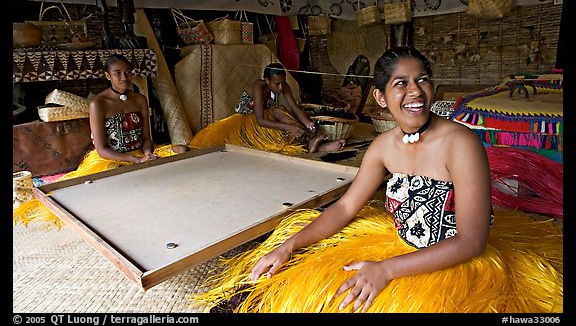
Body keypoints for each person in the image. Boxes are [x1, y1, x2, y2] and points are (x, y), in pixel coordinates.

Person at [190, 46, 562, 313]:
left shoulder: (460, 143)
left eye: (423, 80)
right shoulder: (382, 147)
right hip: (395, 244)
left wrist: (385, 270)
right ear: (380, 98)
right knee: (311, 277)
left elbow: (471, 241)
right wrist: (289, 246)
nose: (414, 91)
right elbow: (347, 206)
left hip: (453, 263)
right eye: (400, 83)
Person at [13, 54, 188, 228]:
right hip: (113, 158)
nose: (124, 78)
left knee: (182, 150)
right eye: (117, 73)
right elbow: (102, 149)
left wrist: (148, 154)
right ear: (107, 76)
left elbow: (147, 138)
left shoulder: (139, 99)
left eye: (127, 72)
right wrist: (136, 161)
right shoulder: (98, 104)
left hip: (141, 153)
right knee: (122, 183)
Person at [188, 62, 345, 155]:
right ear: (267, 80)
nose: (281, 86)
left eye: (283, 82)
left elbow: (295, 108)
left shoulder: (284, 86)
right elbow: (260, 120)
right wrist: (291, 127)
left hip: (268, 116)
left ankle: (312, 142)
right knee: (280, 113)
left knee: (284, 110)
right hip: (249, 121)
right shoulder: (258, 87)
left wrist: (309, 124)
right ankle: (310, 145)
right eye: (277, 84)